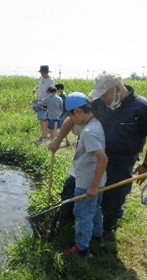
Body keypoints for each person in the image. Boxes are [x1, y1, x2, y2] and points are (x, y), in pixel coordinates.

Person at [50, 72, 147, 233]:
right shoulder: (98, 103)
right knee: (70, 191)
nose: (102, 98)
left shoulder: (143, 107)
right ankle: (65, 226)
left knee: (112, 200)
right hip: (88, 157)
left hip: (120, 162)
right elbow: (73, 117)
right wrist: (58, 138)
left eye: (104, 95)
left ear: (116, 89)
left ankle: (107, 229)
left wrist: (146, 166)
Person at [60, 92, 108, 256]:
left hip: (88, 182)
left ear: (78, 112)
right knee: (94, 211)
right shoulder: (97, 124)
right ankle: (98, 237)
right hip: (98, 179)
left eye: (71, 116)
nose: (72, 120)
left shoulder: (88, 132)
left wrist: (93, 186)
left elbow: (103, 159)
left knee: (83, 215)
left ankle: (81, 249)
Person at [32, 65, 55, 142]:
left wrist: (43, 102)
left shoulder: (51, 80)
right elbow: (40, 84)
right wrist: (35, 88)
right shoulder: (41, 78)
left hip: (46, 102)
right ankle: (44, 134)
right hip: (39, 101)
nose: (42, 74)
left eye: (43, 73)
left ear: (46, 72)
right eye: (41, 73)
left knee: (45, 119)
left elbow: (51, 93)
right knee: (41, 119)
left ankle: (44, 136)